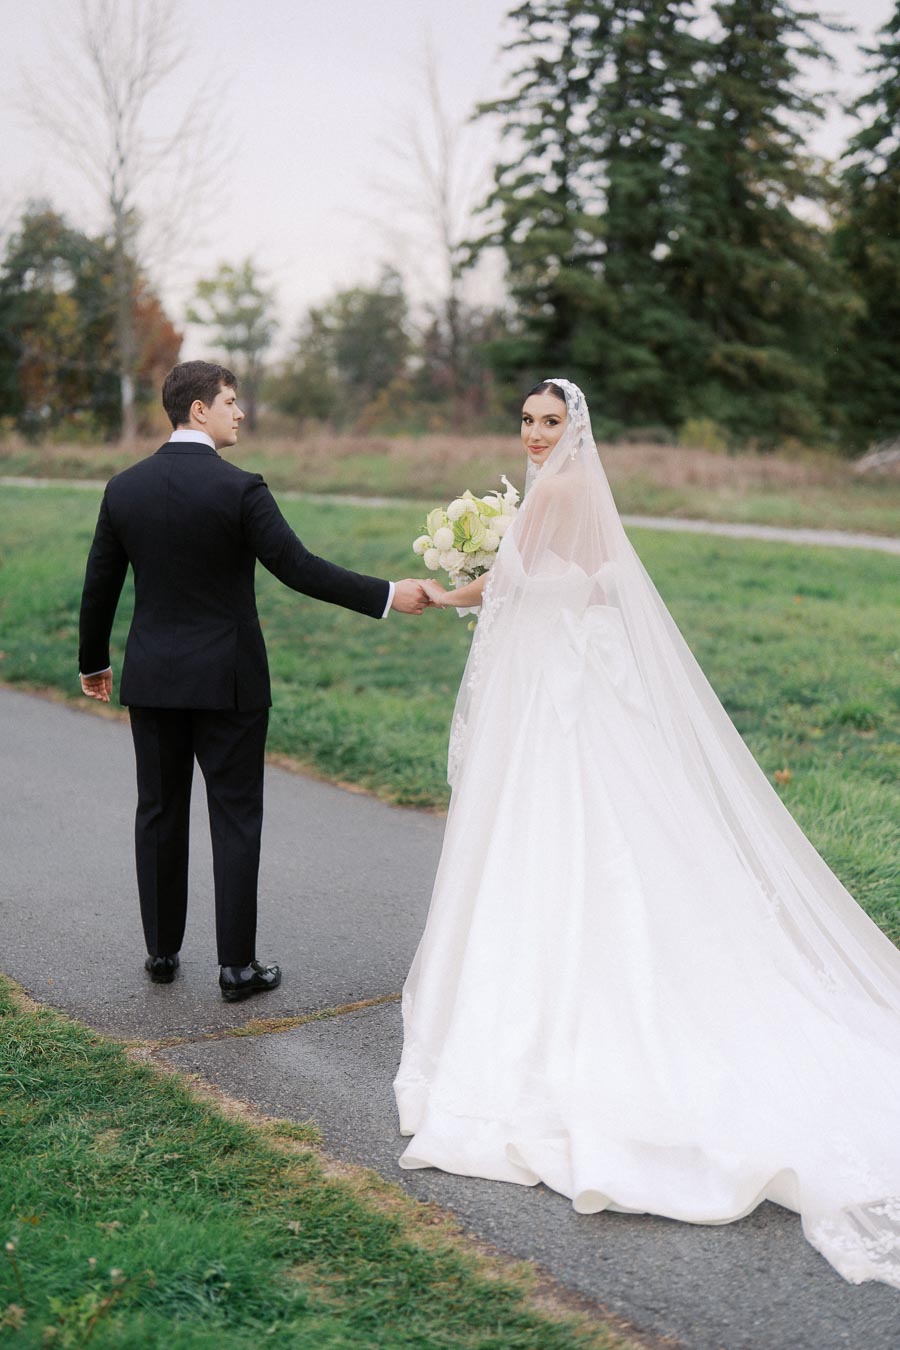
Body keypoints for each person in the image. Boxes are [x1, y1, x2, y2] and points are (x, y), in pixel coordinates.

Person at [394, 377, 900, 1290]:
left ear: (573, 428)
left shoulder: (553, 492)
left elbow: (507, 589)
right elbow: (593, 592)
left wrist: (442, 587)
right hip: (589, 674)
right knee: (623, 831)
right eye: (527, 422)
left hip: (558, 694)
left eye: (550, 422)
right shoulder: (586, 493)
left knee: (552, 833)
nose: (537, 435)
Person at [78, 360, 430, 1002]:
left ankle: (161, 955)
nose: (241, 413)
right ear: (198, 410)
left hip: (153, 678)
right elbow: (297, 568)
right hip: (230, 683)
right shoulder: (241, 489)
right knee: (235, 817)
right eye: (231, 401)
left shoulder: (123, 488)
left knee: (157, 812)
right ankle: (236, 970)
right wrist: (386, 595)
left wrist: (92, 661)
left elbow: (101, 583)